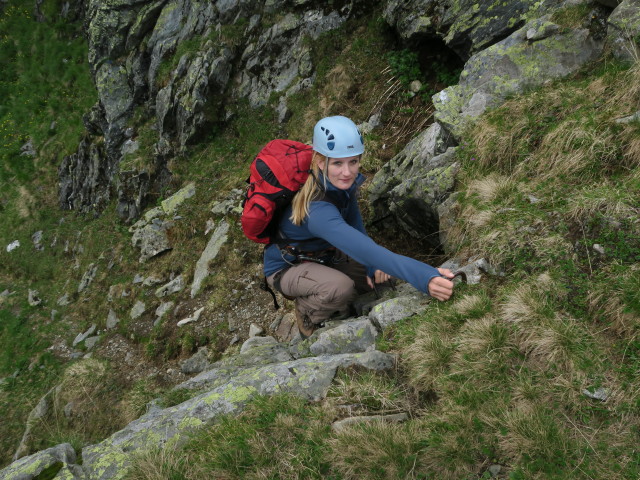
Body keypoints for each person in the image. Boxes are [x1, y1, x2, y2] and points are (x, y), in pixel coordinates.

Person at [264, 115, 454, 338]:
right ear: (320, 162)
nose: (347, 172)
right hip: (287, 266)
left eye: (353, 161)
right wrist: (426, 277)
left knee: (379, 279)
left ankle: (339, 298)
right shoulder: (317, 212)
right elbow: (368, 250)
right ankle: (307, 312)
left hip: (323, 253)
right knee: (340, 288)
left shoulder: (337, 185)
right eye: (337, 163)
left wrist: (372, 266)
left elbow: (356, 227)